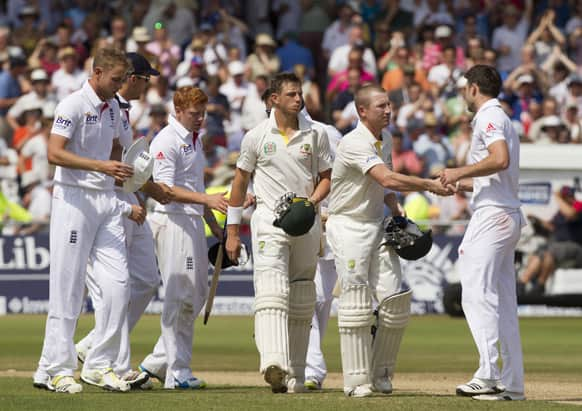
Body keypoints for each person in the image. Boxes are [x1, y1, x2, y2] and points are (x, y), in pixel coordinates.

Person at [325, 84, 451, 398]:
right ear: (362, 111)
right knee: (355, 302)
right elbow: (386, 178)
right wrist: (428, 185)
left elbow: (387, 185)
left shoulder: (387, 139)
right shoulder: (354, 142)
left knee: (394, 299)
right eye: (381, 105)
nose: (388, 110)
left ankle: (380, 375)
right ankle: (356, 382)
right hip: (348, 225)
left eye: (389, 105)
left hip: (376, 225)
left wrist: (396, 210)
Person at [33, 47, 144, 394]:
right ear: (97, 73)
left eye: (123, 80)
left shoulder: (113, 107)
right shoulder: (71, 105)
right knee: (67, 288)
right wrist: (102, 167)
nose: (119, 86)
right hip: (73, 198)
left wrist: (125, 173)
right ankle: (56, 369)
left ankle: (98, 364)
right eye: (115, 80)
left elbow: (116, 150)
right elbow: (54, 153)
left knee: (118, 285)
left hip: (106, 199)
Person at [225, 72, 332, 394]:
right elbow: (239, 183)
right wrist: (232, 232)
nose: (298, 100)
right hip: (269, 222)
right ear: (274, 99)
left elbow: (327, 177)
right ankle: (274, 362)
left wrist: (310, 203)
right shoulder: (256, 136)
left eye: (300, 94)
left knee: (302, 295)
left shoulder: (317, 134)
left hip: (306, 223)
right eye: (291, 95)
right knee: (272, 290)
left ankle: (296, 374)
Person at [74, 52, 171, 389]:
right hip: (103, 197)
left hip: (128, 195)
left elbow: (128, 162)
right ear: (133, 78)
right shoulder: (101, 106)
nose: (147, 85)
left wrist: (145, 190)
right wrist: (153, 190)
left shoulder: (120, 109)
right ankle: (115, 362)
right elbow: (108, 160)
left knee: (145, 280)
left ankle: (93, 346)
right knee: (113, 285)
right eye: (145, 79)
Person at [438, 65, 526, 401]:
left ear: (474, 88)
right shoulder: (501, 116)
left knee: (477, 293)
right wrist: (460, 183)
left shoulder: (489, 116)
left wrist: (459, 169)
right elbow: (494, 174)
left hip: (494, 217)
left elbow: (499, 159)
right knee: (502, 301)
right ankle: (512, 383)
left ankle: (487, 374)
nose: (463, 94)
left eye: (464, 88)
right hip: (505, 212)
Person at [138, 86, 228, 389]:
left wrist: (212, 223)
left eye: (203, 112)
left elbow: (194, 184)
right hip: (172, 221)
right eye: (194, 113)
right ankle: (177, 372)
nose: (200, 118)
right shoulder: (166, 140)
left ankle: (155, 364)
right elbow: (165, 190)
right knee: (181, 297)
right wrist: (208, 200)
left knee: (196, 294)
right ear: (177, 110)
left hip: (191, 221)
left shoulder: (194, 138)